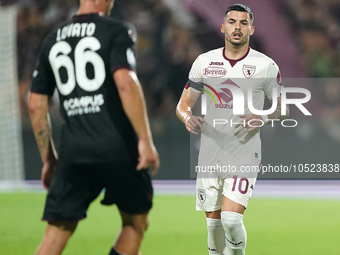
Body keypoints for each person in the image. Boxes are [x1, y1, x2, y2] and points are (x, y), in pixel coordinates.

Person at [28, 0, 159, 255]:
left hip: (73, 151)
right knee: (135, 223)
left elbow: (35, 104)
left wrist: (48, 159)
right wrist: (144, 138)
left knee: (56, 234)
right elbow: (125, 82)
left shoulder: (52, 39)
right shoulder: (117, 30)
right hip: (118, 149)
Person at [176, 4, 289, 255]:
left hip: (243, 154)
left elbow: (283, 109)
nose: (237, 27)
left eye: (243, 23)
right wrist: (186, 118)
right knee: (213, 227)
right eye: (232, 22)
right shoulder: (204, 62)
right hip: (209, 154)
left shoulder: (266, 65)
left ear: (251, 29)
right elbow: (183, 105)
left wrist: (263, 116)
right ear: (222, 26)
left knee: (231, 220)